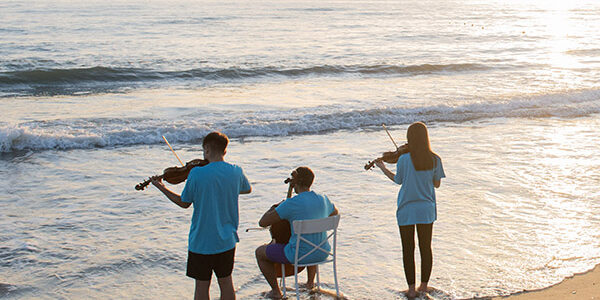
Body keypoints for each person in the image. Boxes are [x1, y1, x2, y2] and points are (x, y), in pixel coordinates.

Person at [151, 131, 251, 300]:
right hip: (227, 239)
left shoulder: (196, 173)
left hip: (201, 241)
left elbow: (184, 202)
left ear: (206, 149)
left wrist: (161, 187)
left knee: (202, 286)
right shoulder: (235, 171)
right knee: (226, 282)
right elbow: (247, 189)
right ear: (225, 151)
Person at [374, 122, 445, 298]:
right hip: (426, 209)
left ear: (409, 138)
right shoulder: (435, 159)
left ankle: (411, 290)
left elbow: (398, 180)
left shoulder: (404, 159)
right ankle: (424, 286)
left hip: (406, 209)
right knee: (425, 248)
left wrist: (383, 168)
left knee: (408, 249)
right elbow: (437, 184)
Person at [255, 167, 338, 299]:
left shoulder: (291, 203)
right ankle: (310, 283)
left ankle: (276, 291)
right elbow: (335, 214)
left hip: (299, 256)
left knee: (259, 252)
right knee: (311, 239)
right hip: (323, 252)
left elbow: (263, 222)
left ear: (295, 182)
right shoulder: (323, 199)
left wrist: (277, 206)